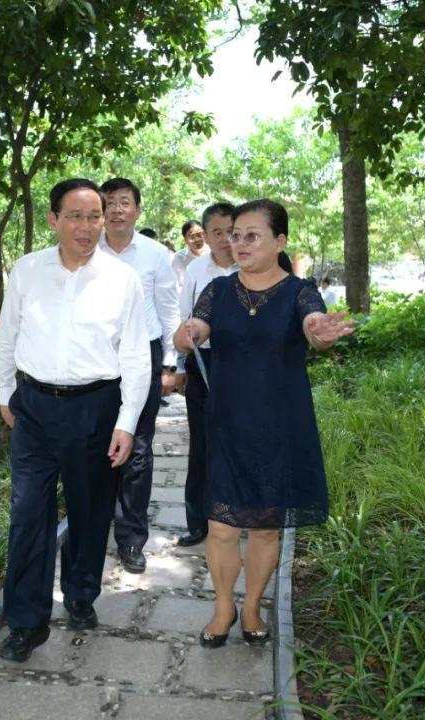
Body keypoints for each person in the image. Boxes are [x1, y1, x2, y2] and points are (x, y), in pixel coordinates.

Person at [174, 199, 352, 648]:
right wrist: (187, 334)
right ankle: (223, 607)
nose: (240, 243)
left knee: (266, 526)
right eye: (236, 235)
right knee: (221, 525)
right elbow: (196, 326)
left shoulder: (299, 292)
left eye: (252, 235)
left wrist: (321, 333)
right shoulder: (218, 290)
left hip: (279, 427)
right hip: (226, 424)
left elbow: (313, 325)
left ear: (280, 241)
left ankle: (252, 605)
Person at [0, 178, 151, 662]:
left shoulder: (121, 278)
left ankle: (81, 593)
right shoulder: (28, 270)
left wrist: (126, 422)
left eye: (95, 216)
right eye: (76, 216)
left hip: (95, 408)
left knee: (90, 510)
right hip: (35, 408)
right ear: (54, 220)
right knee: (27, 515)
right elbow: (7, 335)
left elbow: (136, 356)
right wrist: (5, 394)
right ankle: (26, 622)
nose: (87, 226)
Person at [99, 177, 181, 574]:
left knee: (138, 444)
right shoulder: (86, 247)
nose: (117, 209)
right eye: (110, 202)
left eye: (124, 202)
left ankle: (131, 538)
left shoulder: (155, 254)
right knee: (97, 441)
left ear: (137, 209)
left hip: (144, 354)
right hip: (96, 357)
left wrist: (170, 363)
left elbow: (169, 310)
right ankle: (94, 525)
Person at [173, 203, 236, 548]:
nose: (226, 239)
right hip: (204, 361)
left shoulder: (253, 264)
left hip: (244, 365)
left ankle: (242, 515)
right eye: (217, 232)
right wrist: (182, 366)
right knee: (202, 444)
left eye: (232, 231)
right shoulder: (197, 269)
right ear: (206, 237)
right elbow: (186, 319)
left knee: (241, 440)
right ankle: (198, 522)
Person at [171, 220, 208, 292]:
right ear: (185, 240)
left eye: (199, 235)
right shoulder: (179, 257)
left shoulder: (214, 252)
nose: (197, 240)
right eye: (192, 237)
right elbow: (176, 283)